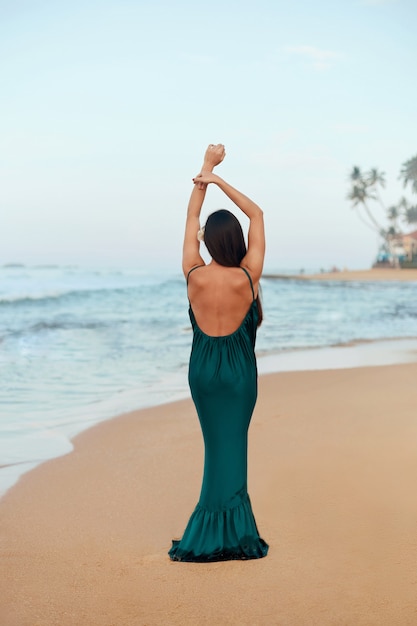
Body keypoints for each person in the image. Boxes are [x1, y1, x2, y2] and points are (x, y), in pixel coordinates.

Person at [168, 144, 268, 562]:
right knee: (234, 445)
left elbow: (191, 218)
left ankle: (213, 530)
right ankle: (233, 534)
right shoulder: (249, 275)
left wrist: (205, 170)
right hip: (240, 374)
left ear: (206, 239)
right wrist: (220, 180)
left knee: (215, 446)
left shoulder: (193, 273)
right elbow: (257, 214)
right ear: (237, 241)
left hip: (204, 373)